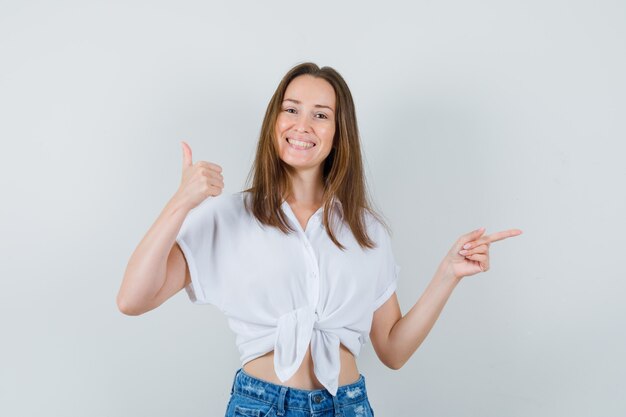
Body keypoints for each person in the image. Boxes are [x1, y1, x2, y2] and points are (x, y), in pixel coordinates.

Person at [117, 62, 523, 417]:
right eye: (291, 110)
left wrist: (447, 274)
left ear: (337, 133)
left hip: (348, 405)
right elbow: (132, 299)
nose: (302, 125)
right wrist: (180, 203)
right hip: (262, 405)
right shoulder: (228, 217)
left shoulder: (366, 231)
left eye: (321, 115)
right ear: (274, 122)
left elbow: (392, 350)